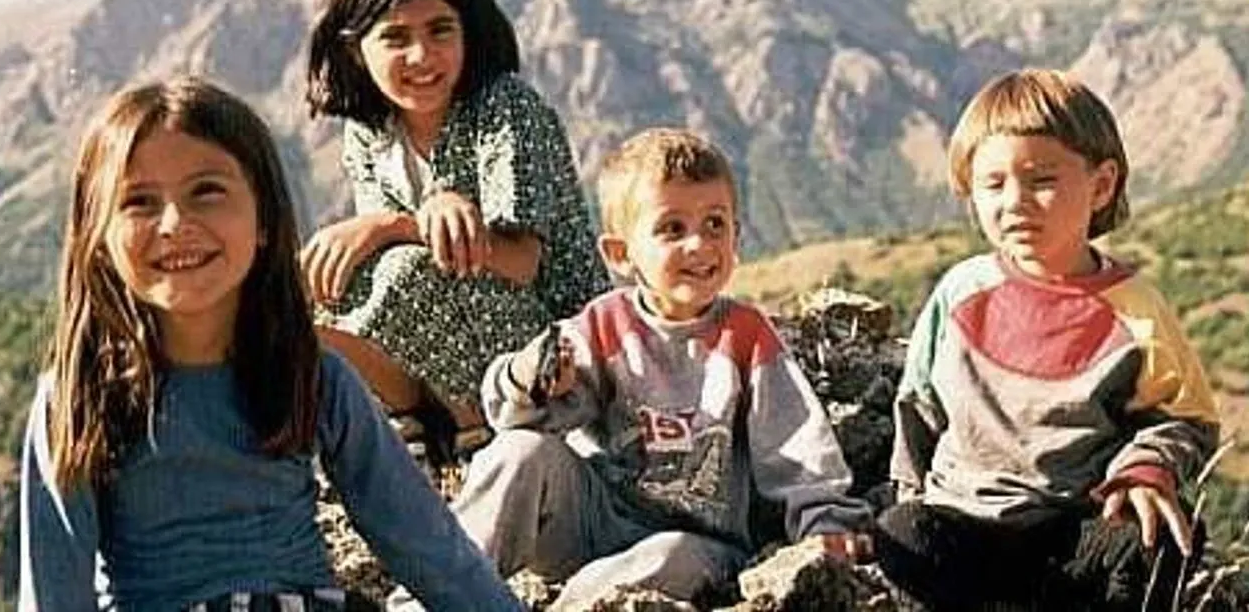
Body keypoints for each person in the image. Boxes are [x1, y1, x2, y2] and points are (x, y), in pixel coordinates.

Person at [16, 77, 523, 611]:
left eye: (206, 192)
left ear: (263, 219)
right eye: (138, 202)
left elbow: (425, 543)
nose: (175, 224)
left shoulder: (313, 376)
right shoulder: (80, 398)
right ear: (98, 240)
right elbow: (54, 594)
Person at [452, 128, 871, 609]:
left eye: (715, 224)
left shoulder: (747, 337)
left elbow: (796, 444)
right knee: (520, 452)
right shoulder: (603, 325)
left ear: (737, 235)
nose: (699, 244)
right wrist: (532, 381)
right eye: (672, 228)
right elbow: (513, 417)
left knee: (668, 555)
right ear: (620, 254)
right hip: (595, 520)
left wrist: (825, 524)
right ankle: (436, 591)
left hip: (698, 543)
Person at [874, 69, 1221, 610]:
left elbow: (1184, 418)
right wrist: (912, 495)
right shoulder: (960, 292)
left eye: (1041, 180)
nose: (1014, 201)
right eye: (993, 184)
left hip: (1074, 530)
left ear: (1101, 186)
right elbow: (918, 406)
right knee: (903, 534)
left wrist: (1147, 470)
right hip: (963, 519)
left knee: (1163, 542)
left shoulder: (1136, 309)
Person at [303, 0, 609, 457]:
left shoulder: (505, 108)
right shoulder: (369, 133)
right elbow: (372, 269)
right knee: (303, 306)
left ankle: (475, 433)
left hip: (554, 345)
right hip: (450, 341)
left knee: (403, 271)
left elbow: (522, 263)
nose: (421, 55)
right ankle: (416, 423)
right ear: (355, 50)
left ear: (468, 29)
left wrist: (400, 224)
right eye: (395, 38)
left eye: (440, 30)